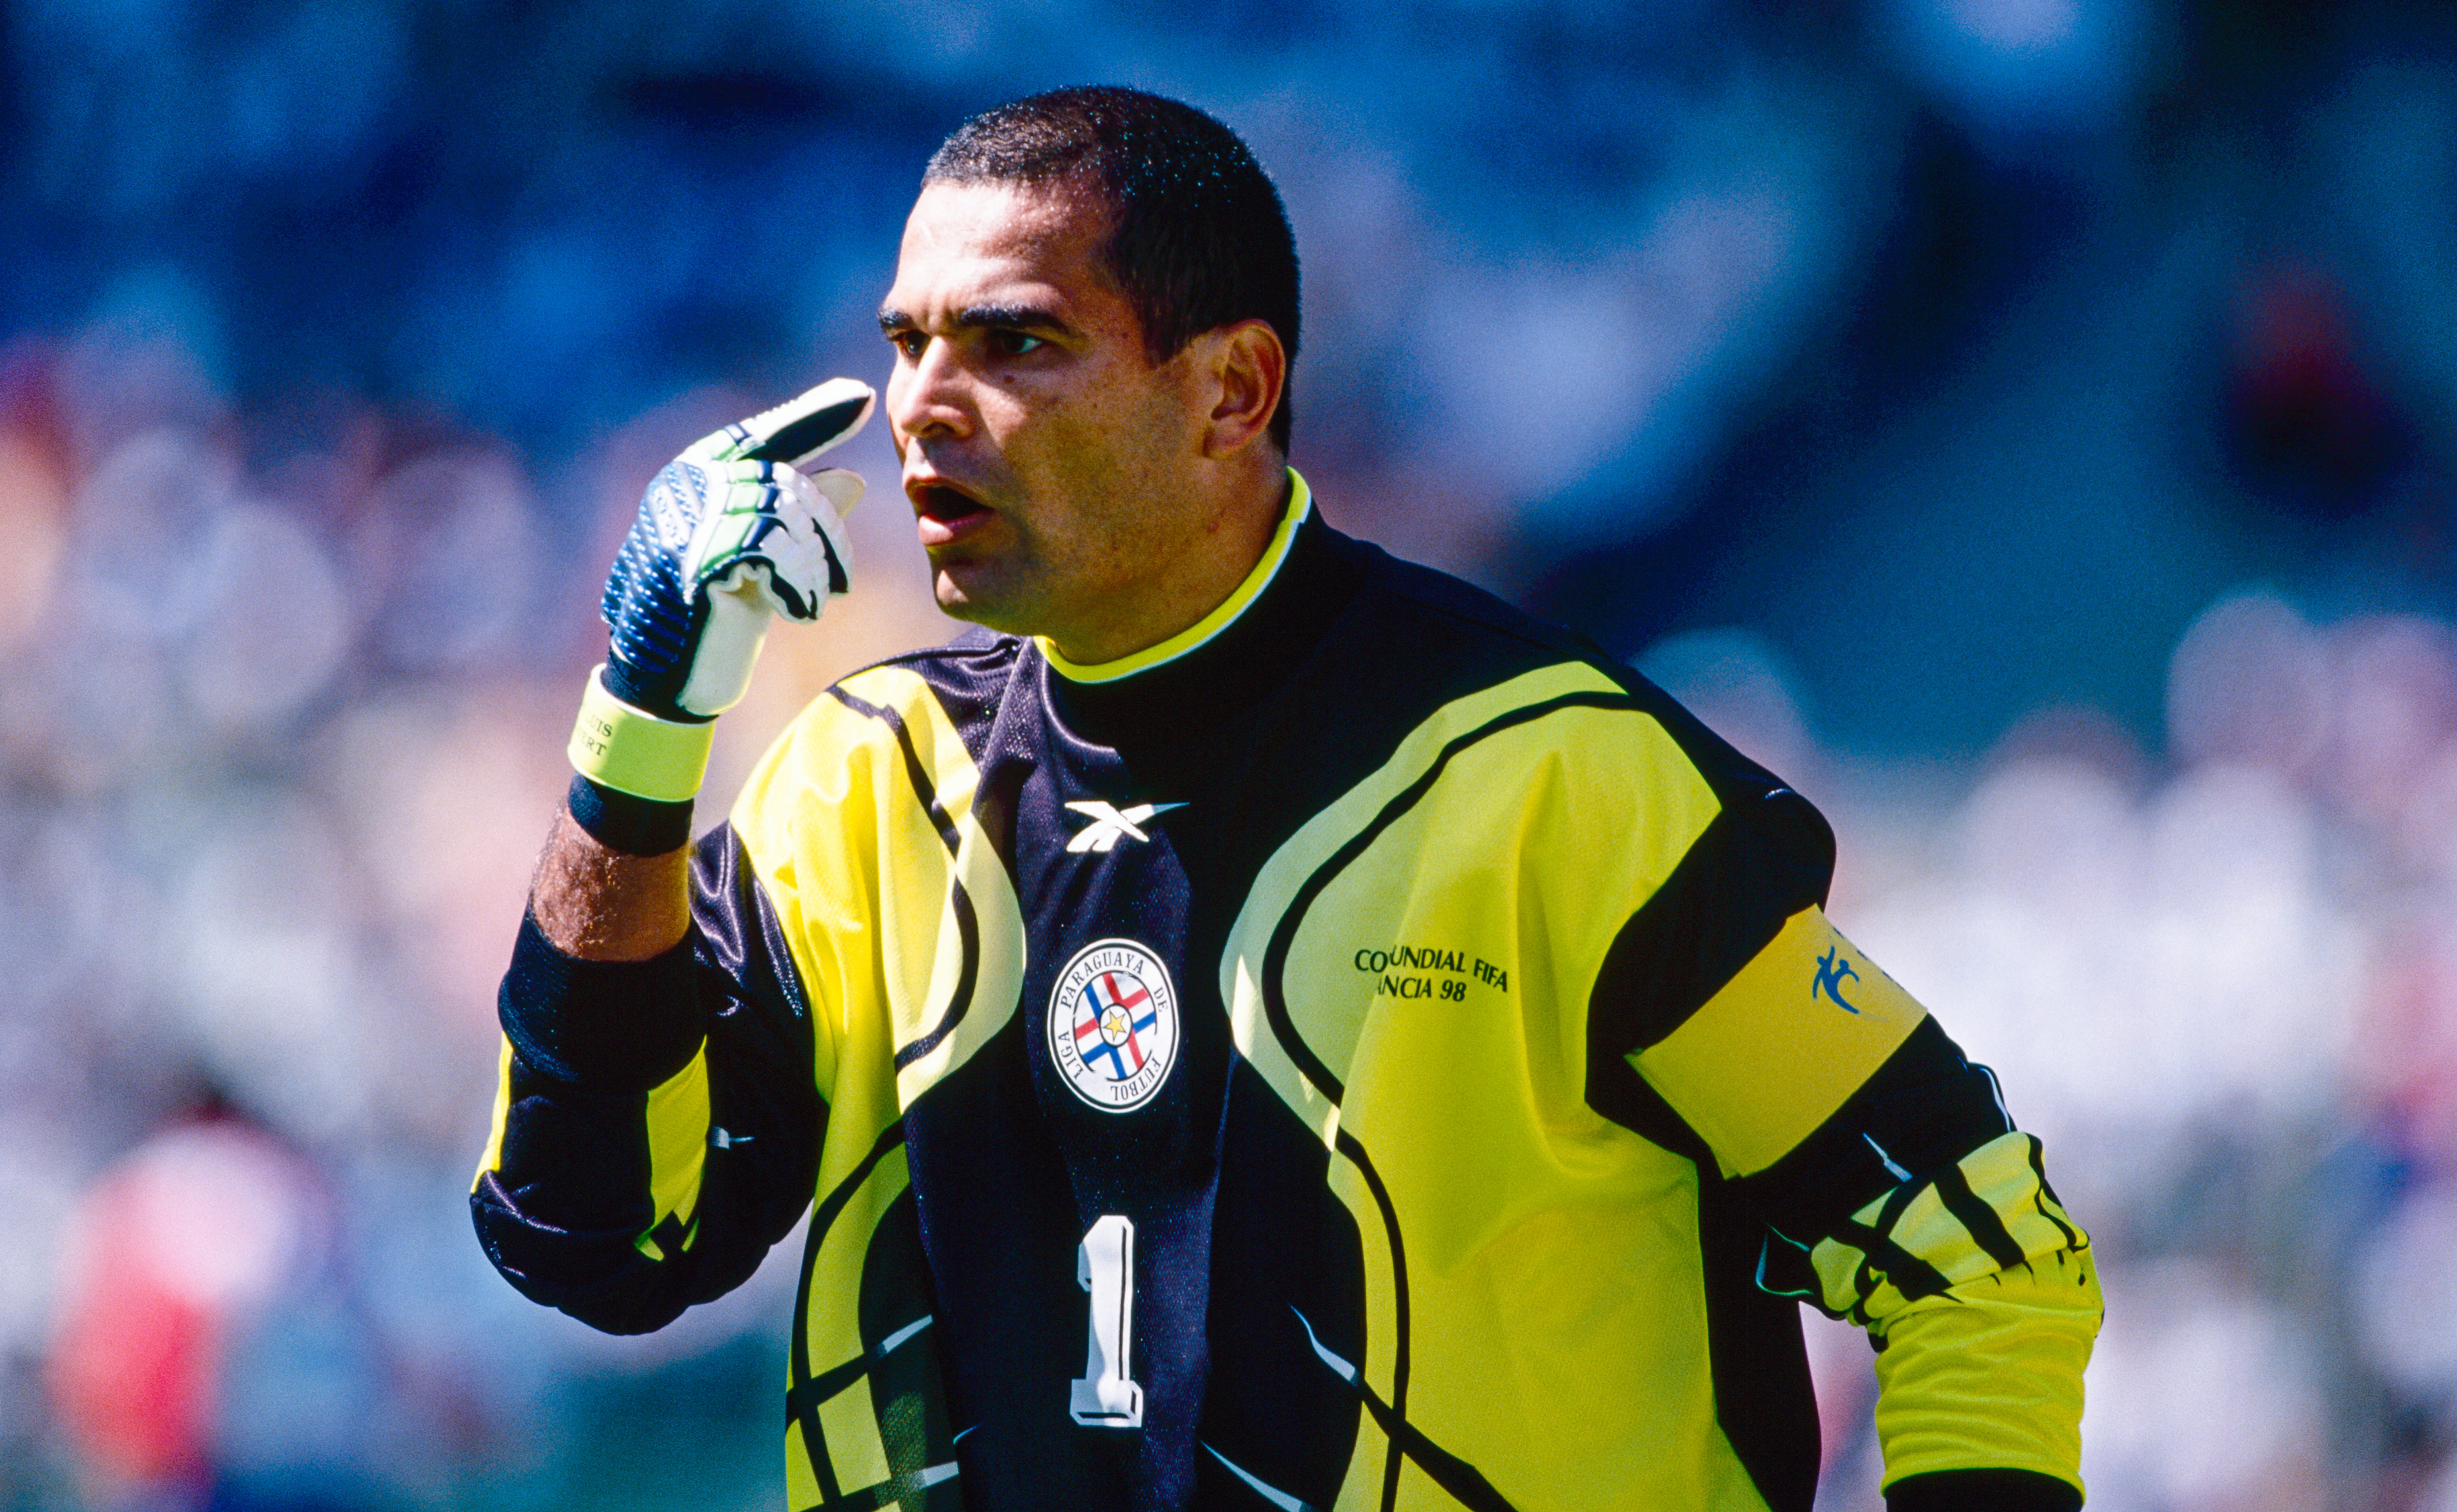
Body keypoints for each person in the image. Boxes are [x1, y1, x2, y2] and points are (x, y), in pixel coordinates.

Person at [471, 87, 2099, 1512]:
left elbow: (1980, 1252)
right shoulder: (858, 779)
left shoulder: (1555, 776)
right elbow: (590, 1241)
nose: (922, 406)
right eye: (907, 344)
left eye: (1015, 340)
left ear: (1231, 392)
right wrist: (642, 723)